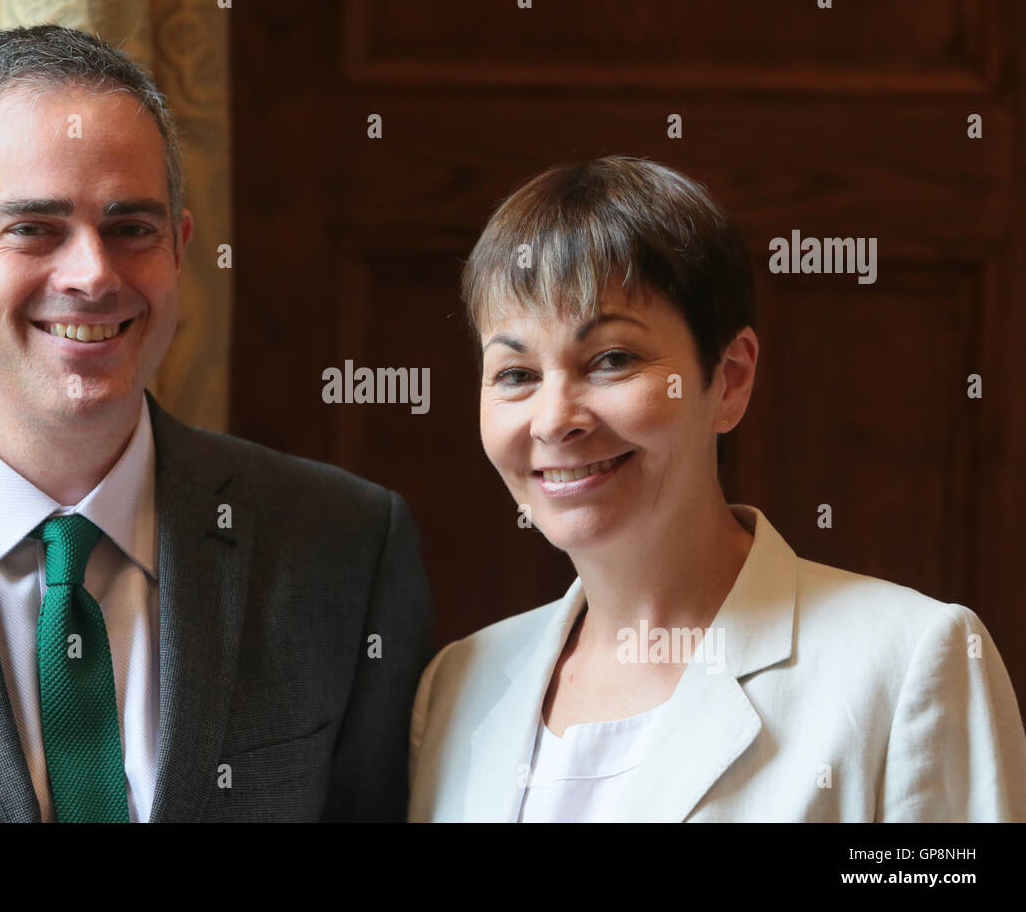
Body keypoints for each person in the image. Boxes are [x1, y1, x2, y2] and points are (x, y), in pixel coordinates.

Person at [0, 25, 433, 822]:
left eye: (132, 228)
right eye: (34, 229)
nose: (94, 273)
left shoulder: (345, 546)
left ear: (180, 248)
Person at [407, 156, 1026, 821]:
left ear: (728, 378)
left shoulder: (908, 663)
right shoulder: (457, 685)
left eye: (612, 359)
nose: (556, 419)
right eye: (515, 373)